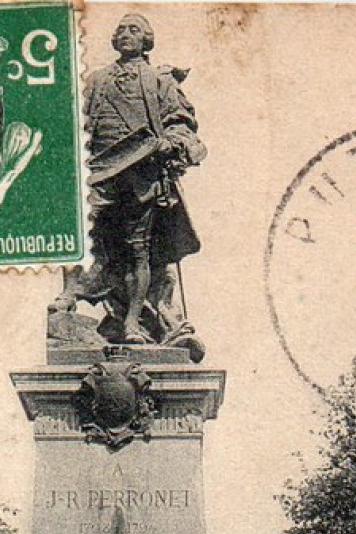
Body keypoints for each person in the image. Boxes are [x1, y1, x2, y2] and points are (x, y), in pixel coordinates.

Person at [51, 13, 207, 353]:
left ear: (146, 40)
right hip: (99, 175)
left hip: (140, 176)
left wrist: (173, 142)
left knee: (139, 250)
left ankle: (133, 321)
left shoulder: (158, 81)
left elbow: (181, 124)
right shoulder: (96, 80)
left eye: (133, 30)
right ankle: (68, 295)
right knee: (79, 236)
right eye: (120, 29)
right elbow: (76, 121)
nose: (125, 34)